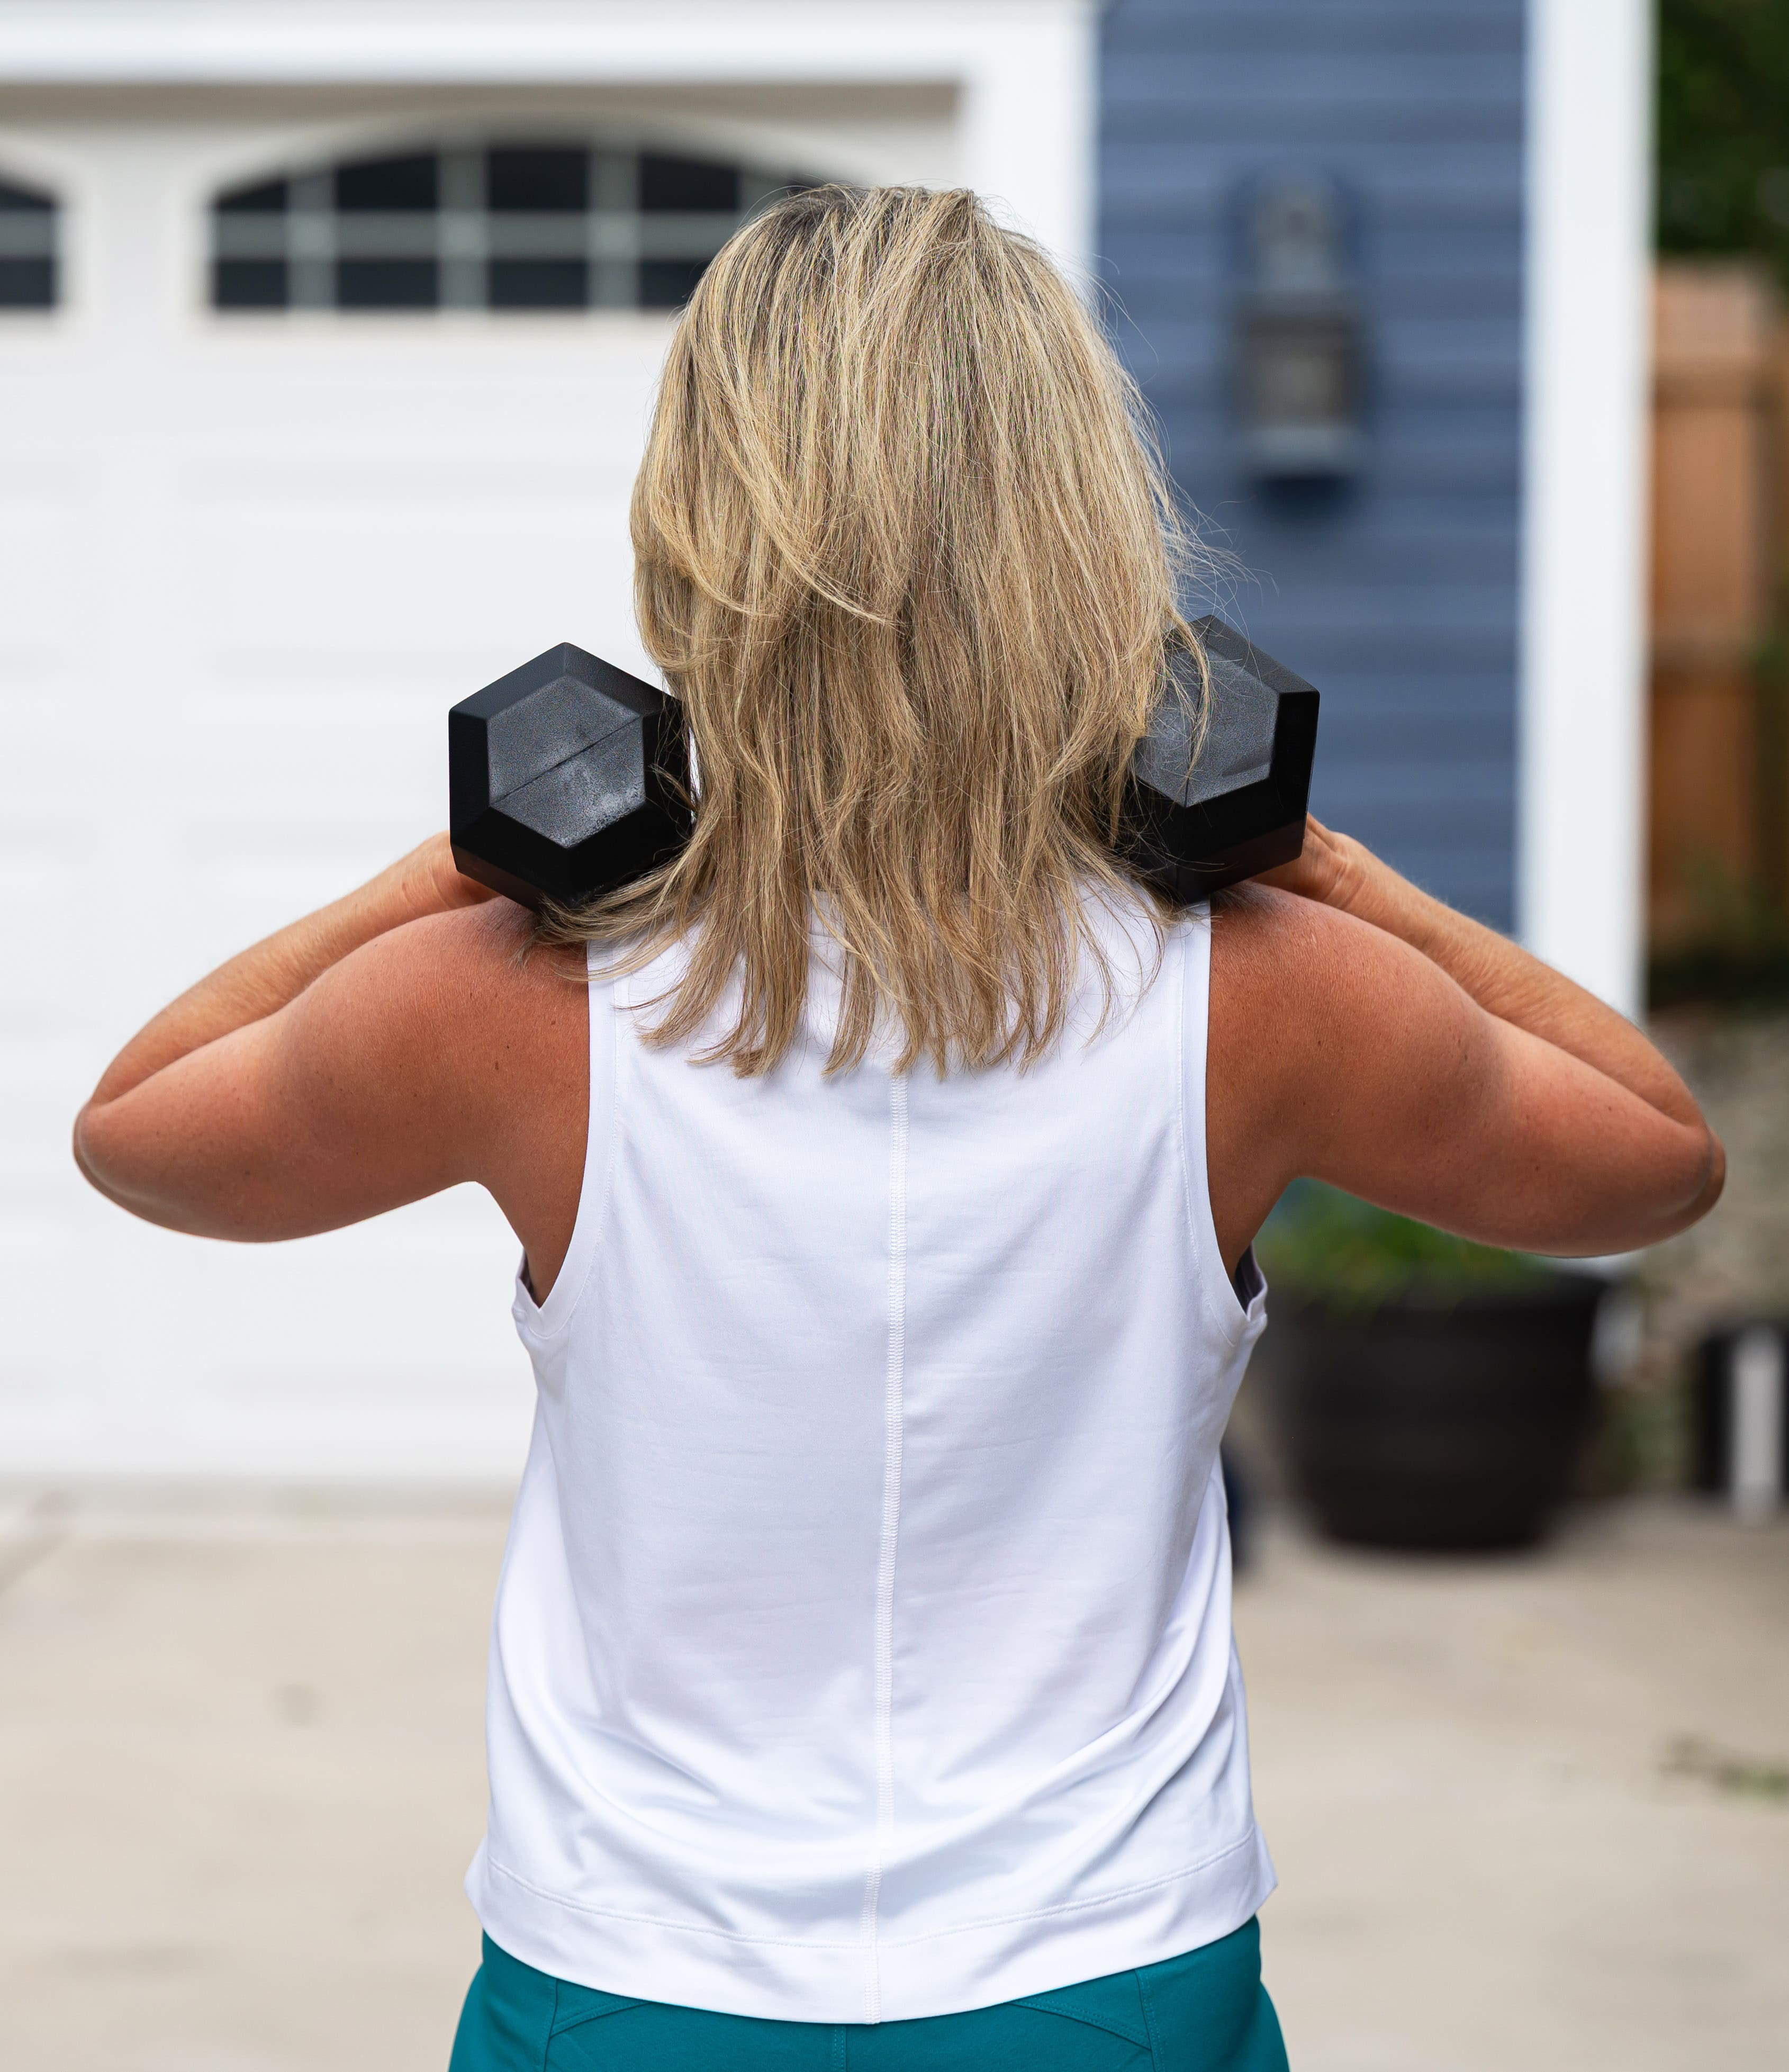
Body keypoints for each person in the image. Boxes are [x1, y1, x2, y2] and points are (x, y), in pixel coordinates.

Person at [73, 187, 1722, 2071]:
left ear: (701, 532)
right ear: (1078, 532)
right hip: (1103, 1981)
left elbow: (138, 1129)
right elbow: (1649, 1149)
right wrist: (1326, 869)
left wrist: (458, 858)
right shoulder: (1264, 991)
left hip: (638, 1987)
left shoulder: (502, 1000)